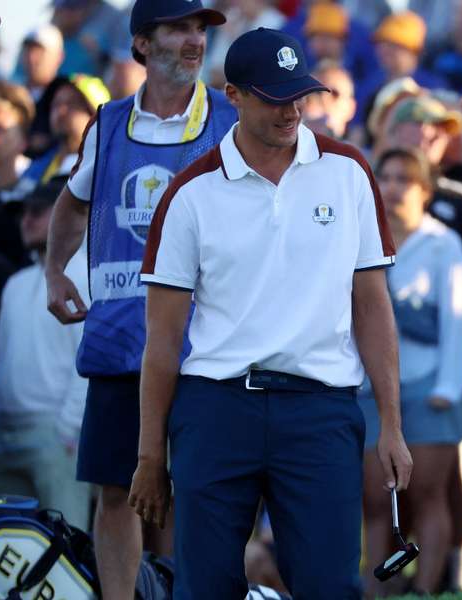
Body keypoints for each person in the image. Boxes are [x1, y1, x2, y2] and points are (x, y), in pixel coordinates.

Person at [128, 28, 412, 599]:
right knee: (205, 588)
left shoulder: (349, 171)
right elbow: (162, 340)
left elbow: (372, 306)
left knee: (330, 587)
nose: (293, 110)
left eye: (298, 94)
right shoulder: (190, 193)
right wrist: (149, 454)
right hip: (214, 408)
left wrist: (393, 425)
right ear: (232, 94)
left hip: (320, 410)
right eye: (275, 96)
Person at [44, 0, 234, 597]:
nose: (195, 41)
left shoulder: (233, 119)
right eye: (179, 29)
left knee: (203, 499)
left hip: (208, 349)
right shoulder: (107, 122)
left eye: (200, 30)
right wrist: (55, 270)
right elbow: (74, 200)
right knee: (115, 493)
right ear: (143, 45)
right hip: (121, 345)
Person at [361, 147, 462, 596]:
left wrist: (449, 386)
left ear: (425, 190)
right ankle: (376, 589)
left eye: (404, 179)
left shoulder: (445, 244)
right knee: (373, 499)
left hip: (430, 386)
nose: (392, 187)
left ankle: (426, 588)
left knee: (427, 494)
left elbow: (457, 322)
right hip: (371, 387)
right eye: (385, 177)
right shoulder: (364, 239)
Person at [0, 177, 90, 528]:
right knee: (2, 545)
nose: (26, 220)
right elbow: (2, 364)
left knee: (67, 543)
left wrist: (67, 429)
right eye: (22, 213)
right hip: (3, 436)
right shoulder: (15, 284)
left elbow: (89, 361)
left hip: (56, 435)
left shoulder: (86, 274)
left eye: (37, 210)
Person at [3, 74, 110, 203]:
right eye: (55, 104)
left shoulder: (104, 172)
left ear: (97, 117)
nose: (60, 111)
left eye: (72, 104)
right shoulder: (37, 166)